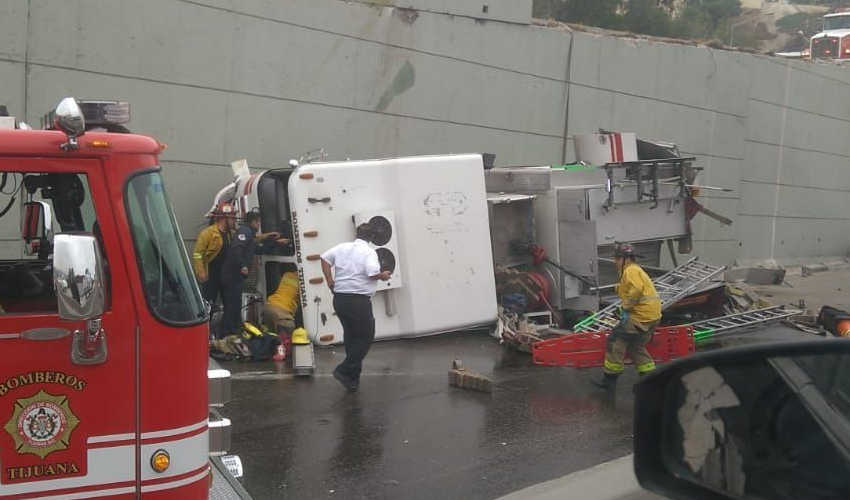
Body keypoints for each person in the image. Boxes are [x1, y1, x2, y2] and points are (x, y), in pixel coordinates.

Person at [321, 223, 391, 392]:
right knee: (366, 336)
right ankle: (344, 370)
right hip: (358, 301)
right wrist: (383, 275)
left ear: (357, 234)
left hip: (340, 299)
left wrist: (329, 281)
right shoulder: (369, 253)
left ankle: (352, 378)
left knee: (351, 337)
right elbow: (372, 273)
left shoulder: (342, 247)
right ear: (372, 238)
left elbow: (324, 258)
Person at [593, 243, 662, 390]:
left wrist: (625, 308)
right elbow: (632, 288)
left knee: (615, 341)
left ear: (626, 259)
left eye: (617, 259)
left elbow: (636, 290)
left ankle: (609, 380)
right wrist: (617, 288)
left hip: (641, 317)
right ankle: (651, 380)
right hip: (652, 317)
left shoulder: (630, 270)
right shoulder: (636, 270)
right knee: (636, 346)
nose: (614, 262)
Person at [220, 211, 280, 338]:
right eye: (258, 222)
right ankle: (227, 333)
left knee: (235, 304)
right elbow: (237, 248)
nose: (259, 224)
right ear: (253, 222)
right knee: (232, 305)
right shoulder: (245, 232)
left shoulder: (250, 235)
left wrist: (276, 242)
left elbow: (257, 249)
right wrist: (242, 265)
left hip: (236, 277)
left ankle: (233, 330)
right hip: (232, 276)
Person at [192, 202, 234, 307]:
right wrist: (200, 272)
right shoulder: (208, 234)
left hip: (225, 277)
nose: (234, 221)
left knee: (229, 305)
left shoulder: (231, 234)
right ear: (226, 218)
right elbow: (197, 254)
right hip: (211, 276)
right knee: (208, 305)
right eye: (233, 218)